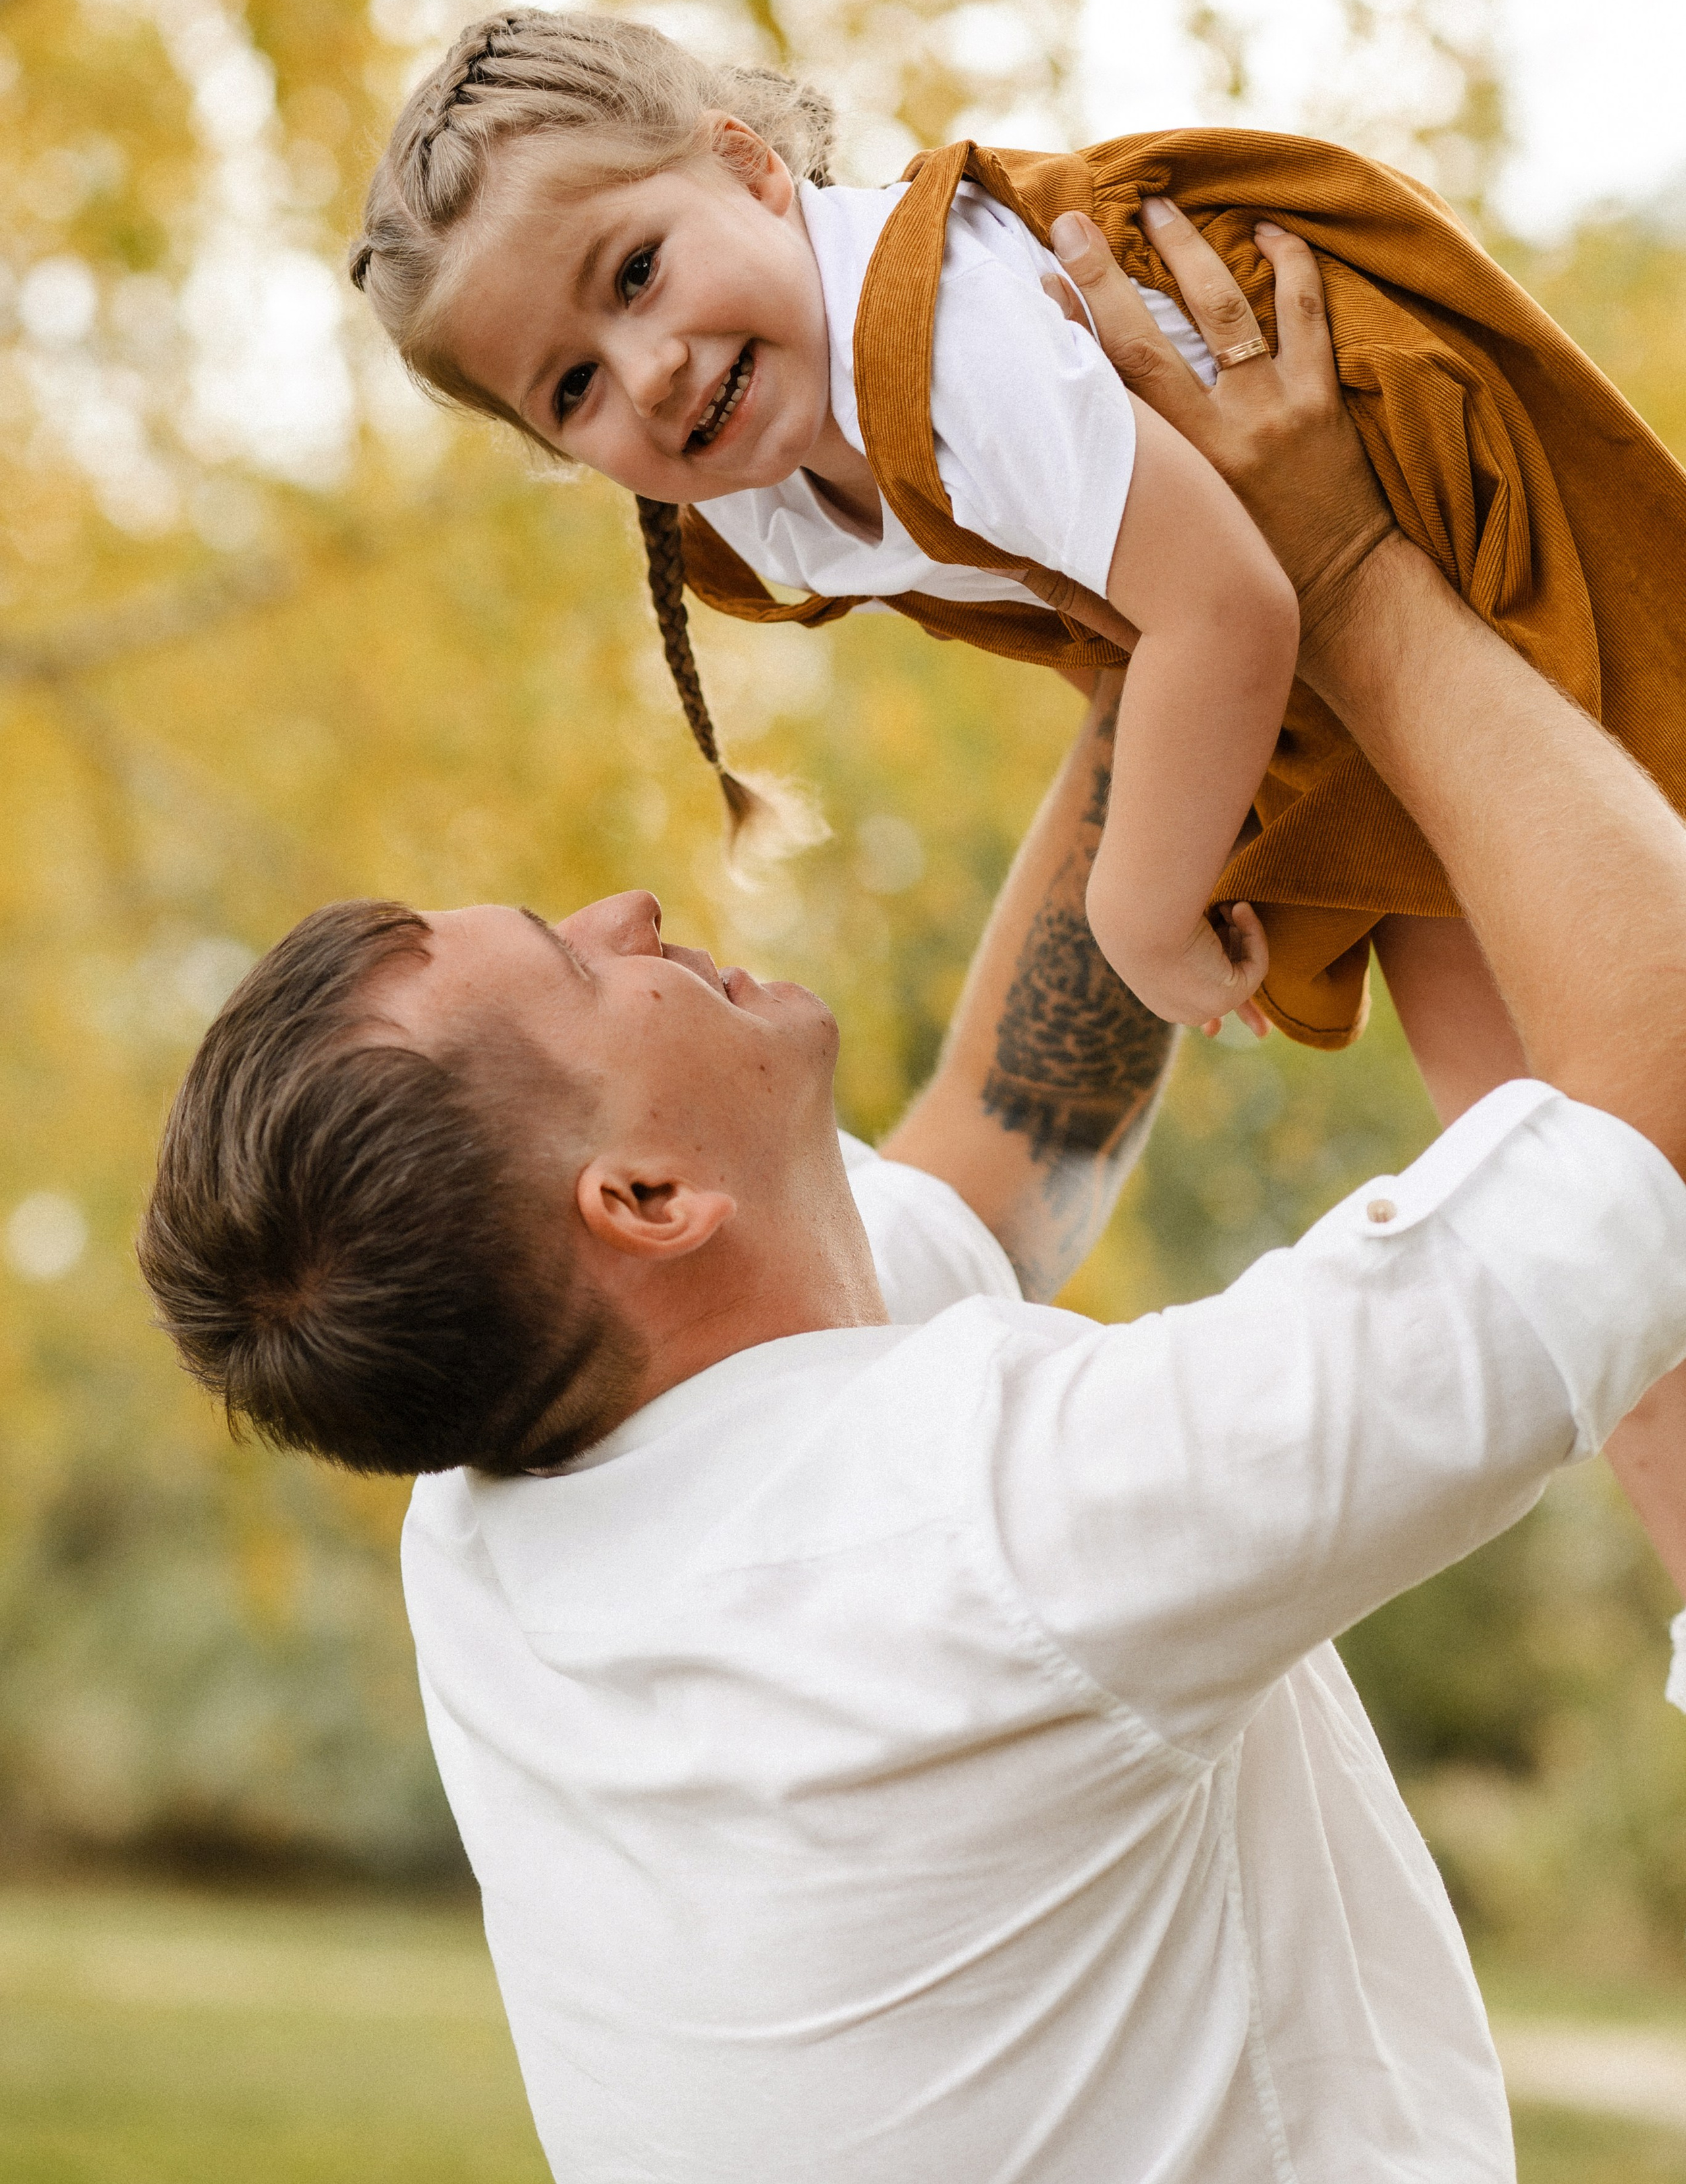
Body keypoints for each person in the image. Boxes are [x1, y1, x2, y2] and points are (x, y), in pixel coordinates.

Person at [140, 212, 1686, 2182]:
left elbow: (1008, 1142)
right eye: (570, 961)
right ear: (643, 1196)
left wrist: (1157, 581)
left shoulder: (502, 1528)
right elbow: (1655, 1103)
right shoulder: (1004, 1532)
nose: (628, 909)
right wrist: (1345, 568)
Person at [348, 7, 1686, 1091]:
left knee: (1616, 1038)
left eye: (637, 271)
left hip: (1448, 508)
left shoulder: (944, 339)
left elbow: (1221, 609)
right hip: (1332, 671)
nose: (645, 373)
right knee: (1529, 1125)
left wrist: (1139, 908)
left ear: (751, 167)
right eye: (571, 387)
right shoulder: (757, 487)